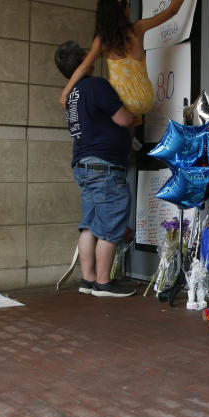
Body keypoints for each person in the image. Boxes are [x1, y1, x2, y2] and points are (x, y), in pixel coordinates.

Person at [57, 0, 203, 116]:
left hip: (121, 104)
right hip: (145, 99)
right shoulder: (137, 29)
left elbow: (84, 67)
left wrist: (65, 92)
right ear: (121, 12)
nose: (129, 9)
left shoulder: (103, 40)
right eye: (126, 7)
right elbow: (171, 11)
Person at [56, 41, 138, 297]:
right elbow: (123, 118)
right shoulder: (95, 85)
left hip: (84, 165)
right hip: (104, 166)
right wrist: (139, 117)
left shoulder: (72, 93)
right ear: (84, 58)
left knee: (90, 225)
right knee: (111, 223)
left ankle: (88, 279)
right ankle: (103, 282)